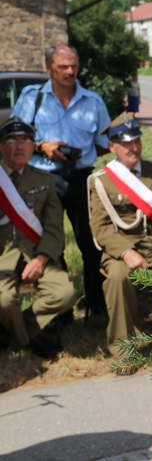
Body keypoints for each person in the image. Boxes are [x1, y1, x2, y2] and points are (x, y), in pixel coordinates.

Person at [12, 44, 111, 317]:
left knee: (90, 244)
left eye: (74, 66)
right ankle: (62, 310)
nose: (70, 72)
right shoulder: (31, 98)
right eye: (63, 67)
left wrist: (80, 154)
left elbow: (105, 143)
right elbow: (15, 139)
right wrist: (42, 146)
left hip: (81, 178)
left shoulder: (93, 101)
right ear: (48, 68)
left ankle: (96, 305)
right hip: (42, 178)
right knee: (50, 243)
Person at [87, 113, 152, 357]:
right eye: (126, 143)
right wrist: (125, 252)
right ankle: (124, 352)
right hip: (123, 249)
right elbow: (100, 228)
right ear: (112, 147)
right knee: (118, 278)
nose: (134, 147)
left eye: (137, 141)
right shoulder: (100, 181)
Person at [0, 117, 75, 359]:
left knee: (65, 293)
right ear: (1, 146)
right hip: (2, 257)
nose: (20, 146)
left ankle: (18, 334)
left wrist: (41, 259)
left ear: (34, 147)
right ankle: (28, 342)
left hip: (35, 253)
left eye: (26, 140)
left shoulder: (45, 181)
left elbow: (54, 228)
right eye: (12, 140)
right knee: (5, 299)